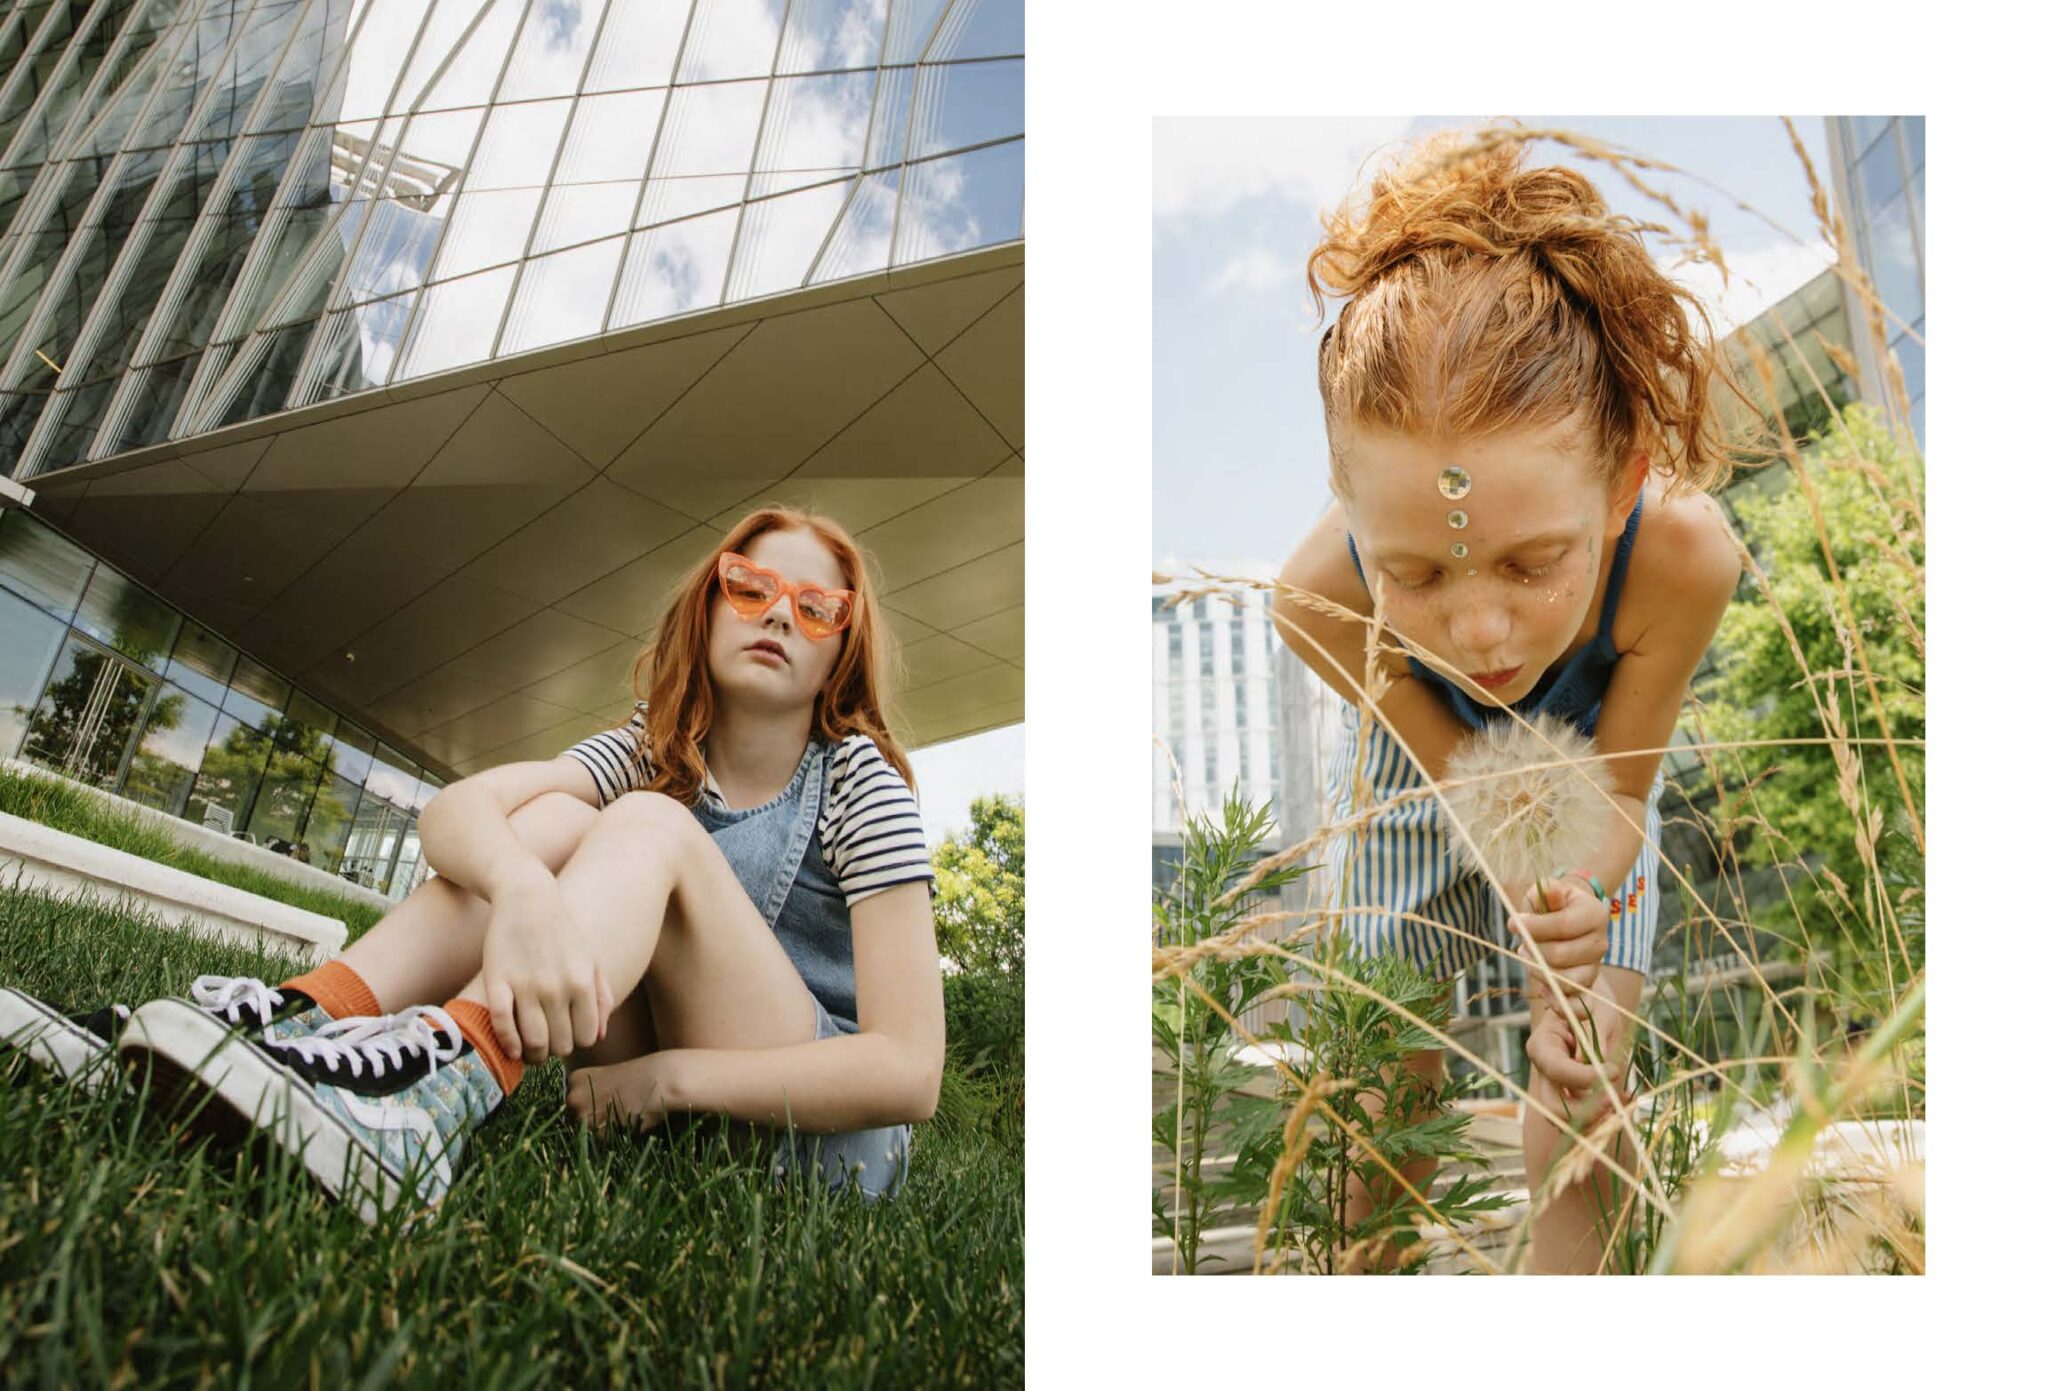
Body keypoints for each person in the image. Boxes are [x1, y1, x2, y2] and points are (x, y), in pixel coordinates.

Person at [5, 507, 943, 1222]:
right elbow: (461, 812)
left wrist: (669, 1079)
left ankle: (440, 1089)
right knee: (553, 820)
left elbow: (909, 1073)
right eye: (750, 586)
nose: (779, 613)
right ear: (706, 608)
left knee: (649, 826)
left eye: (817, 609)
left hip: (818, 1151)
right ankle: (296, 1017)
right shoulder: (655, 749)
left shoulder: (860, 784)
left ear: (839, 653)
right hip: (658, 1107)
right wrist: (526, 891)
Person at [1274, 129, 1750, 1274]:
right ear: (1348, 511)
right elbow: (1449, 764)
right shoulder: (1319, 598)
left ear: (1625, 476)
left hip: (1591, 773)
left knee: (1582, 1073)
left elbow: (1620, 790)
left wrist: (1578, 906)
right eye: (1421, 572)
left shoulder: (1684, 559)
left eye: (1533, 563)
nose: (1477, 632)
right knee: (1381, 1089)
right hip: (1417, 767)